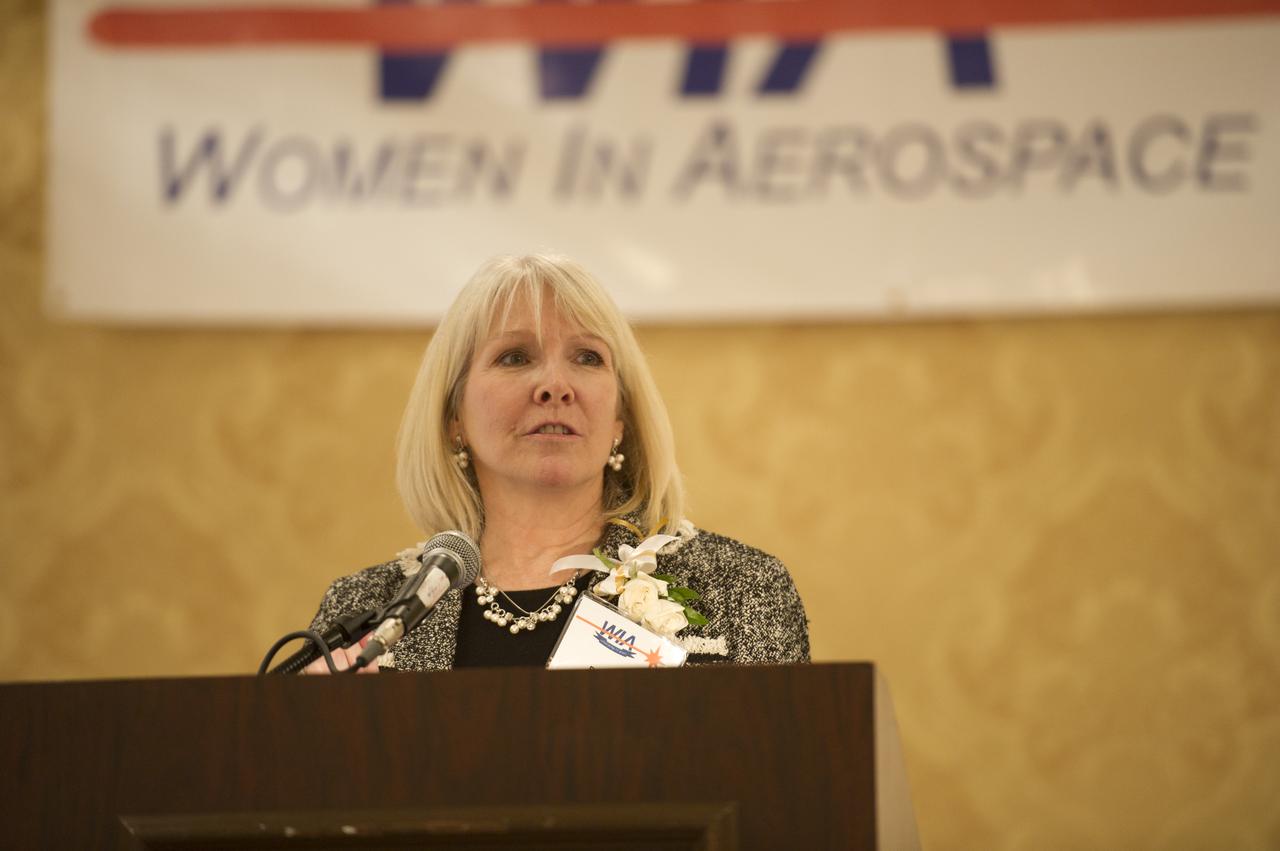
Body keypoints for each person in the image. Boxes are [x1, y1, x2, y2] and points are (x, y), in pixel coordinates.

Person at [304, 254, 808, 673]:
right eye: (515, 357)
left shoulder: (739, 589)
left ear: (620, 420)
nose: (555, 385)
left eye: (587, 358)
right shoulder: (364, 614)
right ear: (453, 415)